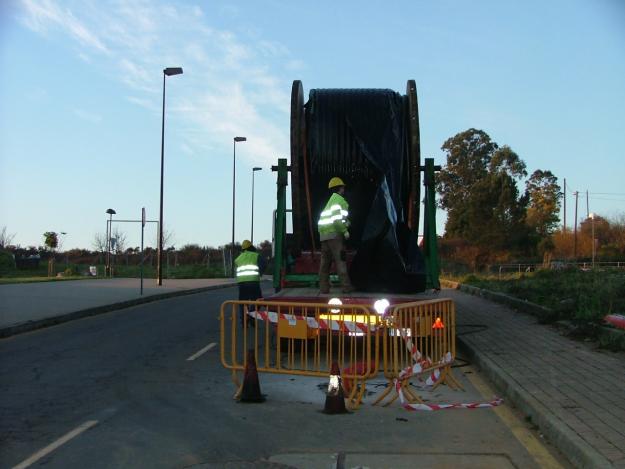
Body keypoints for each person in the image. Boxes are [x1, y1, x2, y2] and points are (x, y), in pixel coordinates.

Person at [318, 177, 354, 294]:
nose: (344, 189)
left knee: (325, 264)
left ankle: (324, 288)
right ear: (340, 188)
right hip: (335, 235)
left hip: (324, 236)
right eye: (343, 187)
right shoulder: (340, 201)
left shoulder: (329, 202)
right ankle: (346, 287)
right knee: (340, 261)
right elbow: (337, 220)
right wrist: (345, 230)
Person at [234, 240, 265, 324]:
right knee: (258, 300)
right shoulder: (256, 255)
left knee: (243, 302)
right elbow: (263, 264)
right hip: (253, 282)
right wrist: (260, 273)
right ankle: (251, 315)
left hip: (242, 283)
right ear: (251, 247)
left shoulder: (238, 258)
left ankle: (244, 320)